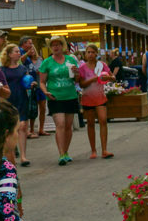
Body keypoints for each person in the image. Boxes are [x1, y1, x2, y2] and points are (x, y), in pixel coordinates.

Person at [39, 36, 80, 165]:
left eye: (58, 45)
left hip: (70, 95)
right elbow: (42, 82)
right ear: (50, 47)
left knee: (68, 126)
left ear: (63, 46)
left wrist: (77, 73)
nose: (56, 47)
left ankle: (66, 152)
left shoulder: (70, 60)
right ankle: (61, 153)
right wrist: (45, 92)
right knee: (60, 124)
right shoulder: (47, 62)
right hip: (55, 97)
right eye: (53, 45)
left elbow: (76, 80)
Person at [77, 44, 113, 159]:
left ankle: (104, 150)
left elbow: (113, 77)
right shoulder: (82, 68)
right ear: (85, 54)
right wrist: (93, 79)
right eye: (88, 52)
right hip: (88, 98)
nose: (90, 54)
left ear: (96, 54)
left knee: (103, 120)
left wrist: (108, 78)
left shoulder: (102, 65)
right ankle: (93, 150)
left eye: (93, 52)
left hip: (100, 98)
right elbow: (81, 84)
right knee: (91, 124)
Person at [0, 43, 31, 166]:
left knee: (23, 126)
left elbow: (27, 81)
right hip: (8, 100)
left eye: (19, 51)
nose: (19, 53)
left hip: (22, 98)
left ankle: (23, 156)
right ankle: (10, 155)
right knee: (10, 129)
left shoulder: (23, 68)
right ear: (9, 54)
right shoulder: (2, 69)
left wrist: (32, 83)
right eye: (16, 51)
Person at [18, 36, 42, 140]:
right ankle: (25, 131)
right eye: (29, 43)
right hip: (24, 85)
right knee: (26, 108)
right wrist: (27, 54)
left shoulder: (28, 55)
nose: (31, 45)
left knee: (31, 108)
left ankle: (29, 130)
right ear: (23, 43)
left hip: (31, 85)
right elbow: (19, 61)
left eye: (32, 43)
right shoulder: (20, 51)